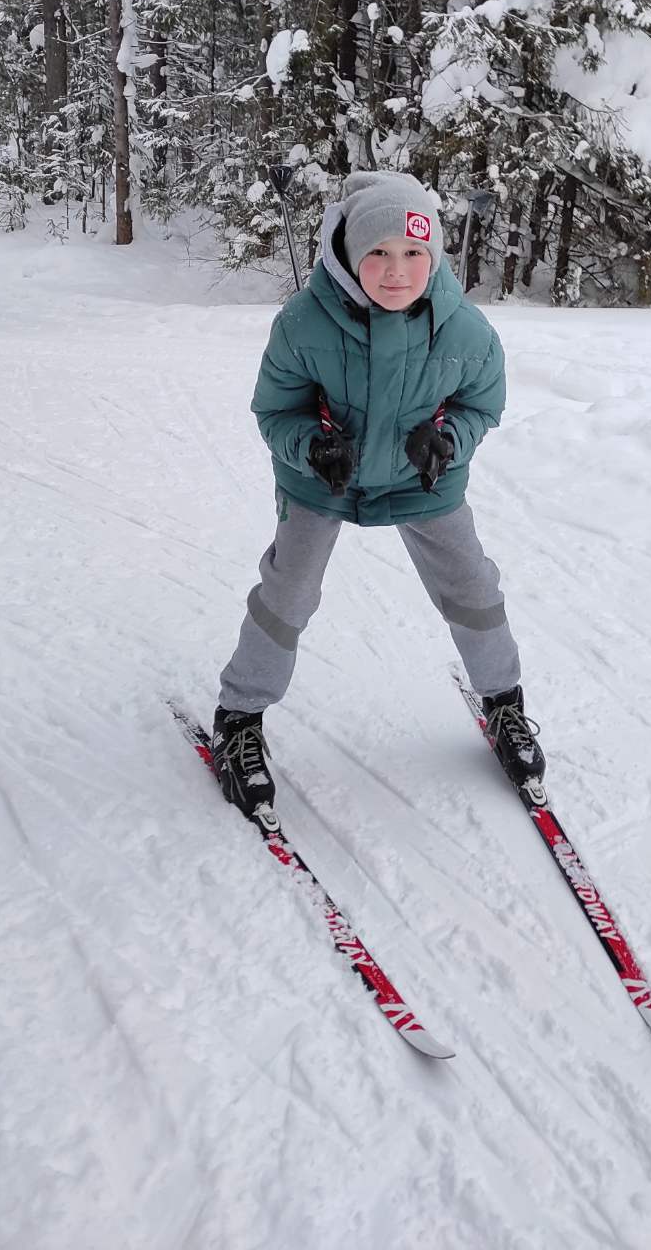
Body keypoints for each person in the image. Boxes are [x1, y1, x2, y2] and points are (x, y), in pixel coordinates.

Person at [212, 169, 543, 819]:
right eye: (378, 254)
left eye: (413, 253)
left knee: (472, 589)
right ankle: (239, 718)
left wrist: (450, 440)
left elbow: (485, 403)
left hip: (424, 480)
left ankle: (504, 704)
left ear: (435, 254)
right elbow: (275, 410)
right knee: (288, 591)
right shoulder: (304, 323)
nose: (397, 272)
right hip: (323, 483)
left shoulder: (464, 330)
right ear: (348, 255)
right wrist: (310, 446)